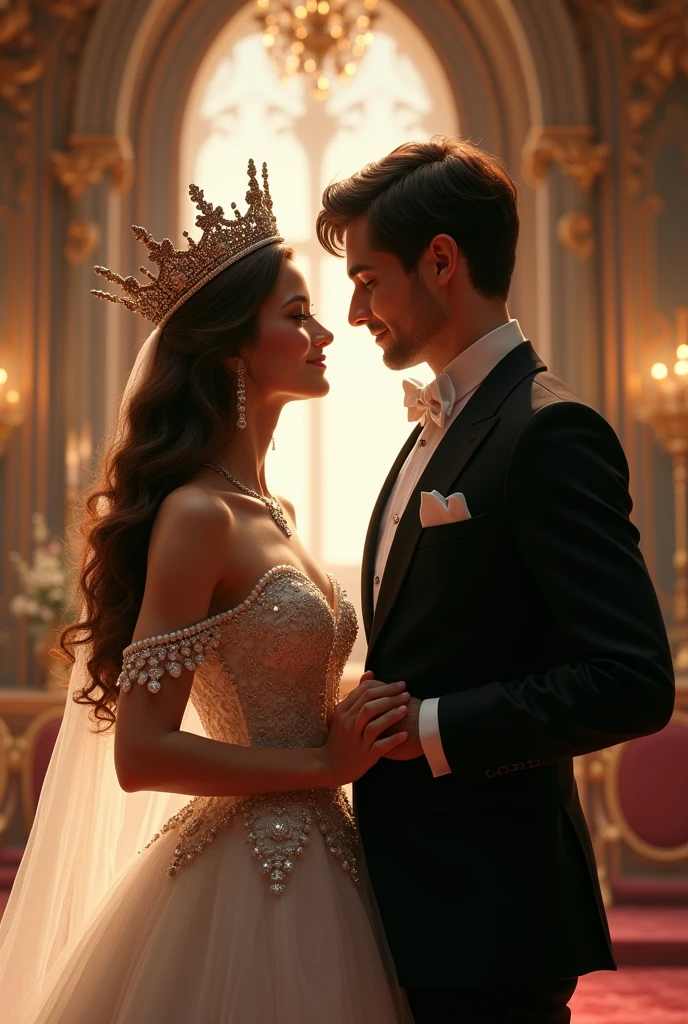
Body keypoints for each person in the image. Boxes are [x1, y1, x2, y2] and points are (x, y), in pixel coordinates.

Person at [0, 161, 412, 1023]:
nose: (326, 332)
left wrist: (359, 707)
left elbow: (276, 679)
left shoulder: (273, 510)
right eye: (297, 316)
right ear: (234, 348)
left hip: (331, 859)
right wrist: (320, 764)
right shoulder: (197, 515)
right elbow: (141, 753)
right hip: (243, 885)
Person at [316, 136, 676, 1024]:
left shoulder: (551, 432)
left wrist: (431, 727)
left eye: (368, 279)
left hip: (493, 918)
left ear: (441, 261)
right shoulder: (430, 427)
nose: (356, 311)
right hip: (409, 907)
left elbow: (632, 681)